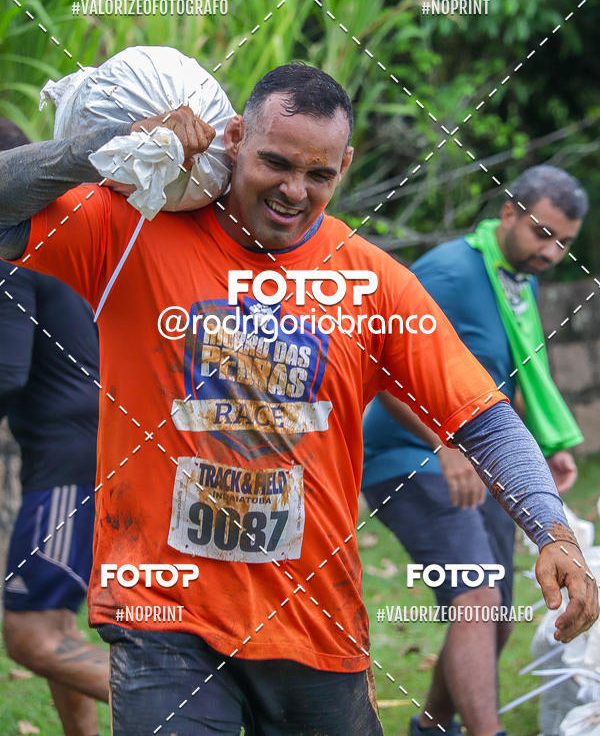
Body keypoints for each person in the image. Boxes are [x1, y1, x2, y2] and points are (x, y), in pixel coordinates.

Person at [0, 66, 596, 736]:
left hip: (313, 625)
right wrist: (102, 147)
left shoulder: (371, 282)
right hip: (161, 615)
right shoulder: (130, 234)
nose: (293, 191)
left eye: (319, 174)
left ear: (345, 166)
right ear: (234, 138)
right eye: (276, 163)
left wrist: (551, 530)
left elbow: (484, 418)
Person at [362, 165, 589, 736]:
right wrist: (443, 445)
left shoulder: (517, 280)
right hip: (409, 455)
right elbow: (382, 366)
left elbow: (508, 378)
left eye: (565, 243)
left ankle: (432, 725)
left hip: (479, 459)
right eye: (543, 233)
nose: (552, 252)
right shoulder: (449, 272)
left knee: (500, 614)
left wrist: (542, 448)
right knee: (478, 596)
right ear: (509, 212)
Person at [0, 118, 109, 736]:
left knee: (31, 636)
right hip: (92, 447)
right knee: (56, 623)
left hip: (68, 458)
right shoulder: (64, 232)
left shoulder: (8, 242)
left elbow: (6, 371)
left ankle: (203, 709)